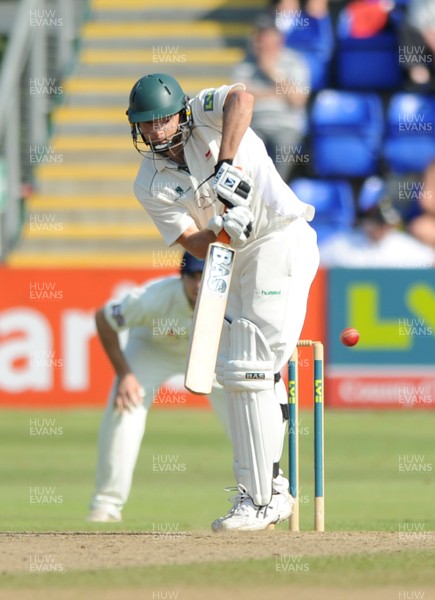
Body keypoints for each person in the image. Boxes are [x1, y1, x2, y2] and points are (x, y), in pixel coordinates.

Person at [125, 72, 319, 531]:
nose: (156, 131)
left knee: (253, 360)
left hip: (280, 237)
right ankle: (266, 490)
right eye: (146, 123)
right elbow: (193, 243)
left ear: (180, 114)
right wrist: (225, 232)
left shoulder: (207, 111)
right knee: (237, 369)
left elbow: (242, 97)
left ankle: (263, 497)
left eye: (163, 120)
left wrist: (226, 164)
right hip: (234, 254)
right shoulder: (147, 182)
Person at [87, 252, 229, 523]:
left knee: (243, 408)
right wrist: (125, 374)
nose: (198, 283)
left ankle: (262, 496)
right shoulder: (153, 297)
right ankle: (106, 505)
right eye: (193, 276)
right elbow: (103, 319)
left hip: (209, 353)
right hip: (153, 348)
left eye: (204, 276)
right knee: (124, 407)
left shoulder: (231, 298)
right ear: (182, 278)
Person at [232, 16, 311, 180]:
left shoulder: (295, 62)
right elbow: (237, 98)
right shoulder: (245, 64)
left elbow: (298, 99)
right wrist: (276, 92)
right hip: (253, 125)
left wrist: (272, 72)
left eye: (265, 39)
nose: (260, 43)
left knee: (284, 150)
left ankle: (273, 199)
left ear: (278, 41)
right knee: (241, 148)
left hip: (286, 126)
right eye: (258, 38)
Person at [319, 177, 435, 268]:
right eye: (372, 216)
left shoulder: (406, 249)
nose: (377, 226)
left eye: (382, 221)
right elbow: (317, 259)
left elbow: (430, 261)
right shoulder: (343, 246)